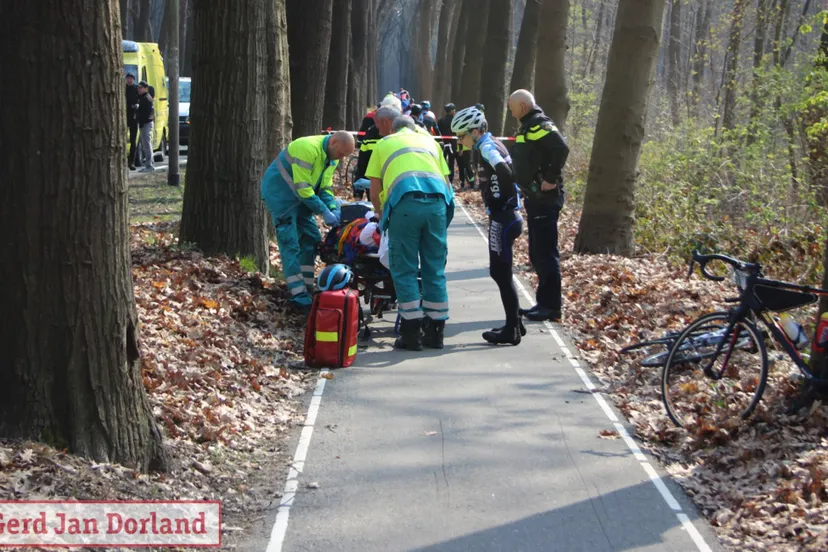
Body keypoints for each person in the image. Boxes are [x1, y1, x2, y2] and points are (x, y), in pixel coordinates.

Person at [366, 116, 455, 351]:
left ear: (393, 129)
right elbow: (447, 184)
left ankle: (411, 332)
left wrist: (382, 215)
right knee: (434, 268)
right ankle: (436, 333)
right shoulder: (431, 142)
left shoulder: (383, 144)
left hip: (405, 205)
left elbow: (375, 192)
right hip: (437, 205)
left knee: (404, 268)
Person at [452, 106, 525, 345]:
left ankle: (512, 330)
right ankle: (516, 322)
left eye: (461, 135)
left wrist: (502, 199)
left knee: (500, 273)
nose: (459, 141)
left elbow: (505, 171)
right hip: (507, 216)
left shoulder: (486, 146)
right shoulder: (490, 143)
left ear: (474, 131)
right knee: (503, 272)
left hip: (503, 218)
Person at [261, 131, 356, 313]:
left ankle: (307, 286)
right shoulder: (307, 148)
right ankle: (298, 296)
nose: (341, 158)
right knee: (290, 244)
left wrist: (332, 206)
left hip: (300, 199)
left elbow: (324, 187)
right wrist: (323, 211)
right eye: (341, 153)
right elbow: (303, 189)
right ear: (334, 141)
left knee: (312, 239)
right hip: (281, 196)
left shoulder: (332, 157)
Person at [507, 89, 569, 322]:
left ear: (522, 106)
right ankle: (543, 302)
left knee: (545, 253)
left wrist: (550, 179)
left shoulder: (539, 125)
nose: (510, 111)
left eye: (512, 107)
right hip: (534, 197)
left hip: (545, 199)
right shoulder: (528, 125)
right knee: (536, 253)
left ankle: (551, 306)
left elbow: (561, 148)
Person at [352, 105, 402, 200]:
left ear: (386, 122)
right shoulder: (371, 134)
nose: (378, 132)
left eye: (378, 127)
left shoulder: (406, 138)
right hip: (377, 193)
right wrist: (358, 195)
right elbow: (362, 166)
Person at [136, 81, 155, 172]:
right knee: (145, 144)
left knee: (147, 144)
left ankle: (149, 165)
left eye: (141, 88)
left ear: (146, 88)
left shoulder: (146, 98)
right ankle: (149, 163)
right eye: (138, 88)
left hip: (146, 124)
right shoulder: (143, 97)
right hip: (144, 123)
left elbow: (147, 114)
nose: (139, 89)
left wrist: (138, 116)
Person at [437, 103, 457, 184]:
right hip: (453, 144)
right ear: (451, 111)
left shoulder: (441, 121)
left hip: (444, 144)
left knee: (443, 161)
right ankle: (450, 180)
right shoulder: (455, 120)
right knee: (451, 163)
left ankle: (442, 178)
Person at [125, 73, 140, 170]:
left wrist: (137, 106)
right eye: (128, 79)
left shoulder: (136, 89)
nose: (129, 80)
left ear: (133, 80)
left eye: (131, 79)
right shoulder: (122, 88)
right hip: (123, 117)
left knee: (133, 141)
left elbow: (142, 100)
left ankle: (131, 162)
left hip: (134, 118)